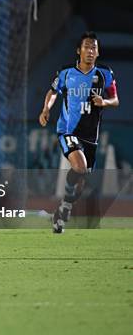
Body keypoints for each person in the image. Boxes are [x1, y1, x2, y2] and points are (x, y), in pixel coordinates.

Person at [39, 32, 119, 233]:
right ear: (79, 50)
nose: (90, 51)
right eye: (87, 47)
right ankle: (65, 208)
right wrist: (46, 109)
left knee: (81, 184)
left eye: (94, 47)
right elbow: (53, 92)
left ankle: (61, 211)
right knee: (79, 166)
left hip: (91, 135)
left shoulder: (105, 74)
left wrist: (105, 102)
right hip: (68, 130)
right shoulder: (66, 73)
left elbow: (115, 100)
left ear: (98, 52)